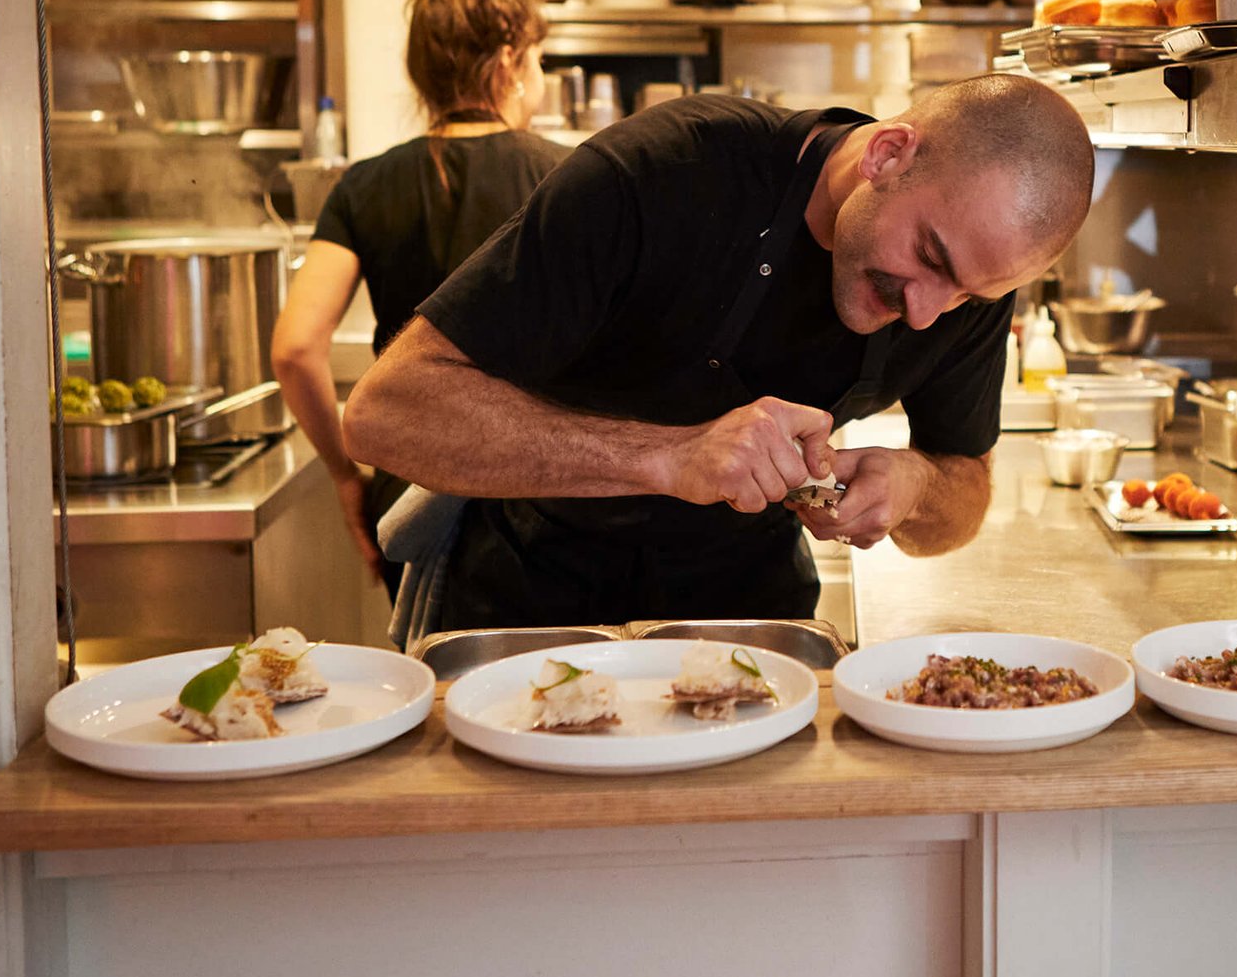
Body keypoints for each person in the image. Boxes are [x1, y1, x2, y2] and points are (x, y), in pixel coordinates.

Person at [342, 74, 1095, 628]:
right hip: (530, 608)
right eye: (928, 256)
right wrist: (668, 457)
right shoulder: (664, 173)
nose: (929, 312)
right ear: (888, 154)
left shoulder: (969, 279)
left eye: (969, 293)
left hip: (748, 626)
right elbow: (384, 411)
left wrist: (915, 483)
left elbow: (963, 491)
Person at [269, 0, 568, 582]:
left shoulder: (364, 185)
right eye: (541, 59)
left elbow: (294, 349)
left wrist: (349, 478)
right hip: (546, 495)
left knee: (433, 676)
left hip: (409, 491)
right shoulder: (568, 178)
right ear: (512, 63)